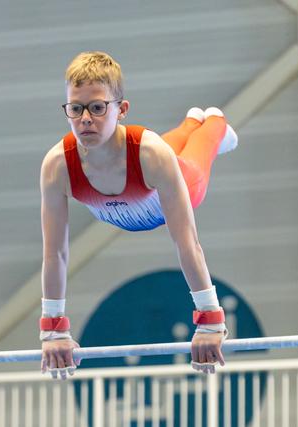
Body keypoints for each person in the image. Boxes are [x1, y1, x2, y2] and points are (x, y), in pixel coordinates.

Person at [39, 51, 238, 380]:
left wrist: (210, 319)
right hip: (140, 190)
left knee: (196, 150)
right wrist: (53, 330)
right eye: (76, 108)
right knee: (167, 145)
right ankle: (191, 121)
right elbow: (55, 253)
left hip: (175, 191)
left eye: (98, 107)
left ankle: (215, 123)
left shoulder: (150, 154)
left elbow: (186, 242)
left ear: (122, 109)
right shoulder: (57, 166)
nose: (85, 118)